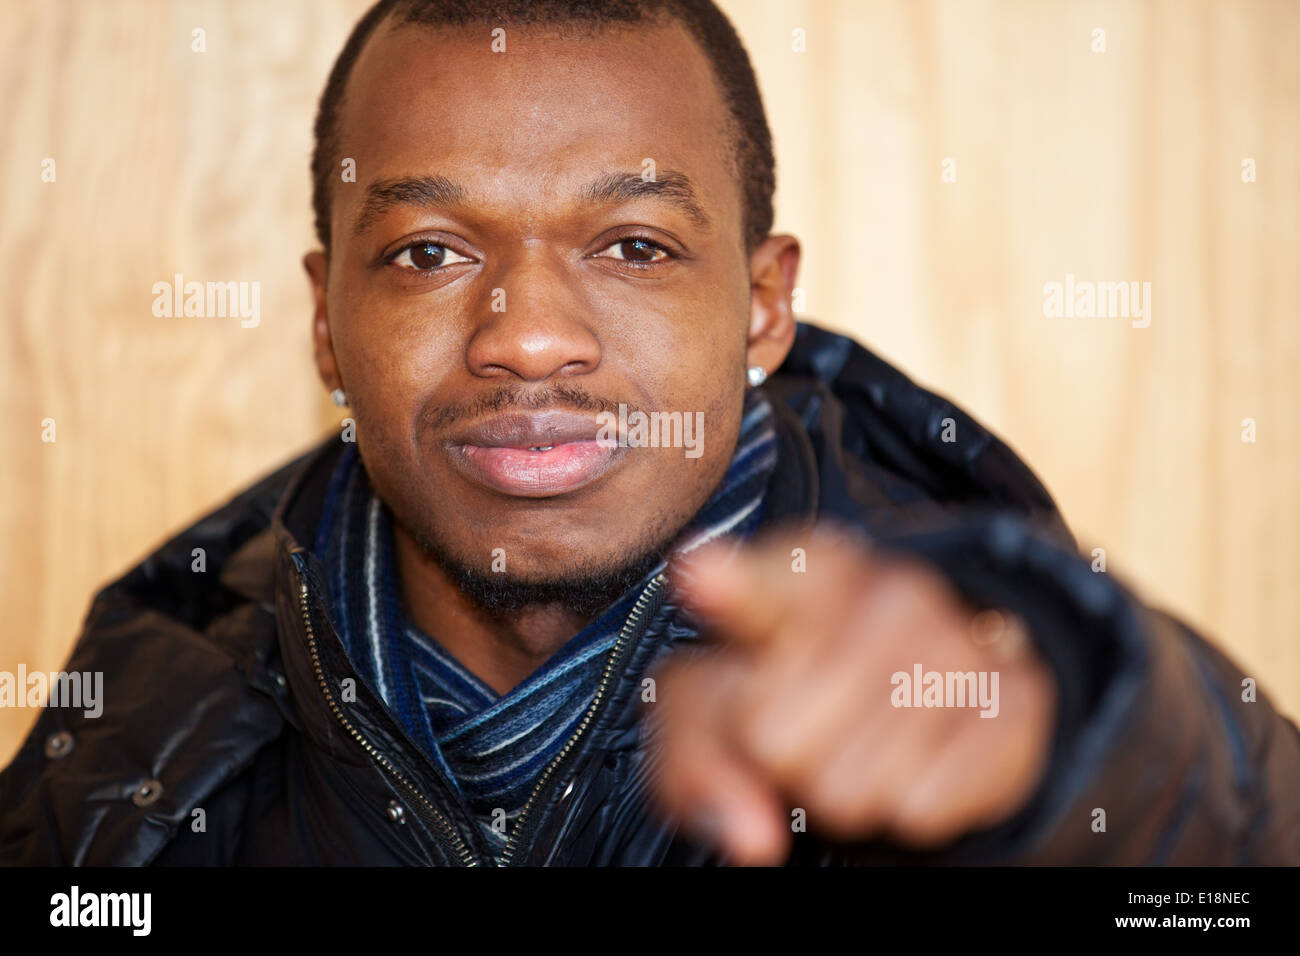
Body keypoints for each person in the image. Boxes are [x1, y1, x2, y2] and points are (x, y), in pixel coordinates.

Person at [2, 0, 1297, 866]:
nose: (528, 335)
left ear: (764, 302)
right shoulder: (137, 737)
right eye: (430, 251)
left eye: (632, 246)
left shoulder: (955, 665)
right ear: (327, 324)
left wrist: (1074, 738)